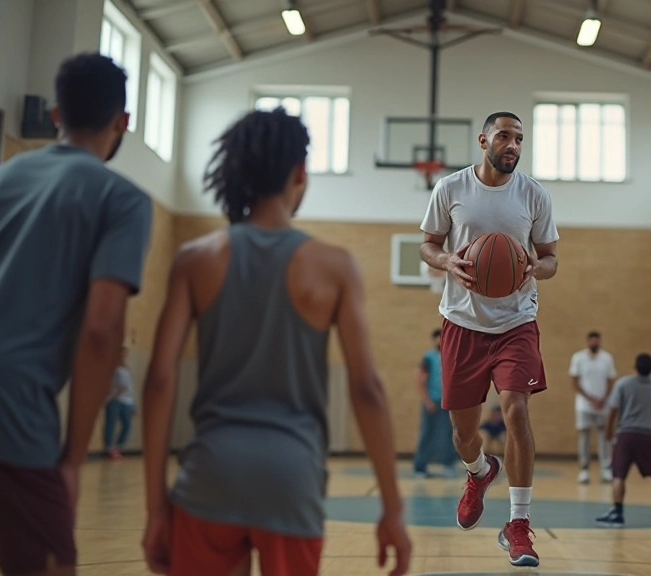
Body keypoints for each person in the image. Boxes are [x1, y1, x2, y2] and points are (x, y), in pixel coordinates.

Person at [140, 108, 411, 576]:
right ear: (299, 173)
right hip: (292, 479)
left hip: (211, 474)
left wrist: (155, 508)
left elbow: (161, 380)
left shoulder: (194, 258)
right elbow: (366, 388)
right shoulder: (335, 266)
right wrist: (392, 508)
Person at [0, 52, 151, 576]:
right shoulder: (120, 199)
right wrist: (73, 458)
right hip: (9, 397)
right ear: (124, 123)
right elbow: (100, 330)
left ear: (55, 114)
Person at [419, 111, 559, 568]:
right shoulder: (451, 189)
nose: (513, 144)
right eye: (504, 136)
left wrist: (535, 267)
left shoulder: (534, 194)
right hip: (462, 322)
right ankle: (479, 473)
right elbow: (428, 244)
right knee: (464, 433)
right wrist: (445, 263)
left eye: (519, 138)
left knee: (516, 410)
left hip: (517, 321)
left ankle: (518, 524)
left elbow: (552, 258)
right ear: (484, 140)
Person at [596, 353, 651, 528]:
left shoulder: (623, 384)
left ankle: (618, 513)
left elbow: (613, 411)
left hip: (626, 435)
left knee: (619, 475)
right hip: (647, 435)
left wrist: (609, 432)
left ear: (635, 366)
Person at [568, 331, 617, 484]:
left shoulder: (607, 358)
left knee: (605, 435)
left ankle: (606, 469)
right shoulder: (578, 358)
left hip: (603, 404)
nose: (595, 344)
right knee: (585, 436)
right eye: (593, 341)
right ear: (588, 341)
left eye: (598, 341)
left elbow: (610, 380)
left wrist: (603, 399)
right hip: (584, 405)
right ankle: (584, 469)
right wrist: (590, 398)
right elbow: (575, 381)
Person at [413, 328, 459, 478]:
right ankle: (420, 466)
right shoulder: (429, 357)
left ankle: (448, 463)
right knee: (427, 433)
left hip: (447, 402)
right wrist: (427, 401)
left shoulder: (451, 355)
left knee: (447, 433)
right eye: (438, 338)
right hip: (432, 401)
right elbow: (421, 380)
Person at [103, 346, 137, 458]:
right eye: (122, 353)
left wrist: (133, 404)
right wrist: (115, 391)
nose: (124, 356)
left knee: (127, 424)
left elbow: (129, 387)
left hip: (127, 401)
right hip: (114, 400)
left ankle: (117, 446)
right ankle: (109, 448)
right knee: (111, 424)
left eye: (125, 354)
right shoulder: (111, 367)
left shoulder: (126, 368)